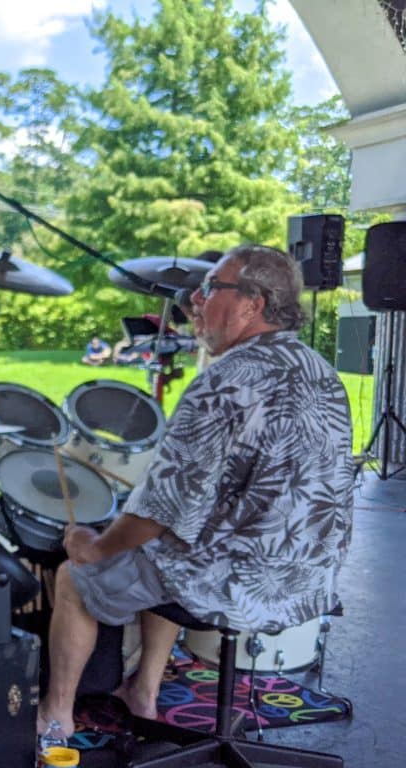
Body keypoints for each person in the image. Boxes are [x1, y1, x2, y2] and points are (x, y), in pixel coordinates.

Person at [38, 245, 354, 740]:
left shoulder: (224, 383)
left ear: (252, 303)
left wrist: (92, 546)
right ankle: (142, 691)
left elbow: (159, 510)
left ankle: (54, 715)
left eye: (210, 290)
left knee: (77, 573)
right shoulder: (322, 372)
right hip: (306, 578)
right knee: (164, 550)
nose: (196, 302)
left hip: (236, 583)